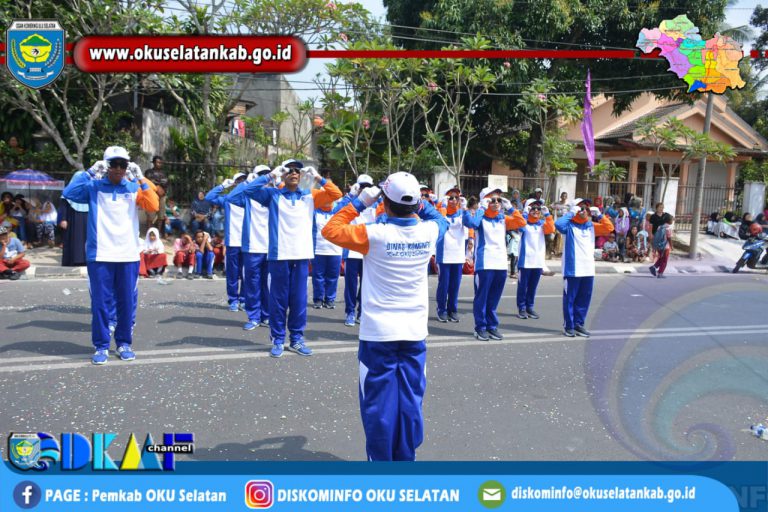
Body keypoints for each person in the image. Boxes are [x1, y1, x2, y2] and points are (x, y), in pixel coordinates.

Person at [321, 171, 448, 461]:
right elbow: (439, 219)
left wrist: (361, 201)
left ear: (385, 203)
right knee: (410, 402)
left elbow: (331, 230)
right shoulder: (428, 232)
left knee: (379, 407)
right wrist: (420, 204)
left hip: (378, 335)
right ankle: (405, 460)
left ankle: (380, 467)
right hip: (414, 334)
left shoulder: (374, 235)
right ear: (415, 205)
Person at [60, 146, 159, 364]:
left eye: (123, 164)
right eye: (113, 164)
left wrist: (141, 177)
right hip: (100, 254)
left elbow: (153, 204)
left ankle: (124, 343)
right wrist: (88, 172)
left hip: (128, 254)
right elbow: (69, 194)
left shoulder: (133, 187)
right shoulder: (93, 187)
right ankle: (101, 346)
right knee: (101, 304)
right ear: (106, 166)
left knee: (126, 303)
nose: (118, 168)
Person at [238, 159, 342, 358]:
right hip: (279, 256)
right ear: (284, 174)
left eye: (297, 171)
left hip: (302, 255)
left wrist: (318, 177)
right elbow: (248, 191)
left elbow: (336, 195)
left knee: (299, 301)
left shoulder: (310, 196)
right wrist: (271, 175)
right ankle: (278, 339)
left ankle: (296, 339)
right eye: (290, 170)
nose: (294, 173)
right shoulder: (272, 195)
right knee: (278, 301)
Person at [463, 187, 520, 341]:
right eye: (492, 200)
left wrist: (510, 208)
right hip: (485, 263)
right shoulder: (480, 218)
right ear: (485, 201)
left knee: (494, 298)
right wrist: (481, 207)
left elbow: (521, 223)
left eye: (498, 200)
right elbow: (470, 223)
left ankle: (491, 326)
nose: (496, 203)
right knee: (482, 298)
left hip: (500, 264)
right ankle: (480, 327)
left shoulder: (502, 218)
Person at [555, 198, 614, 338]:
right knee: (570, 299)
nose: (584, 211)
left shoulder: (590, 225)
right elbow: (558, 224)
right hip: (572, 269)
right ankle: (569, 326)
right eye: (581, 208)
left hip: (588, 269)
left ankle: (578, 324)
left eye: (586, 208)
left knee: (584, 299)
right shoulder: (569, 226)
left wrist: (599, 215)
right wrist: (571, 213)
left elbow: (609, 228)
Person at [226, 165, 272, 329]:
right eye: (261, 174)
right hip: (252, 247)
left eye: (267, 174)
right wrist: (246, 183)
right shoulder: (248, 197)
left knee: (268, 285)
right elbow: (231, 198)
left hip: (271, 248)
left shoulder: (275, 194)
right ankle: (254, 317)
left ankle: (267, 316)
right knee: (252, 284)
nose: (265, 177)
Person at [338, 174, 378, 326]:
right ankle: (350, 312)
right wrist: (350, 195)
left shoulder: (377, 203)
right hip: (353, 249)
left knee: (367, 284)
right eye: (362, 186)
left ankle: (362, 311)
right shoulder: (351, 202)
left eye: (368, 186)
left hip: (369, 249)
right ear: (358, 187)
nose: (365, 189)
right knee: (351, 284)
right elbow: (337, 211)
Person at [206, 173, 248, 311]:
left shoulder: (252, 198)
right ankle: (233, 300)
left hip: (248, 242)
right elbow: (209, 197)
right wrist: (223, 185)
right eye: (238, 180)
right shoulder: (227, 199)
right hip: (232, 241)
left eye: (244, 179)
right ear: (235, 183)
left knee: (246, 273)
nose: (242, 182)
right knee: (232, 273)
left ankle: (244, 300)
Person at [509, 198, 555, 319]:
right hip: (525, 261)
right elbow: (521, 227)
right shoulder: (524, 223)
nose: (536, 210)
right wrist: (524, 213)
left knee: (533, 286)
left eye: (538, 208)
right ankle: (522, 308)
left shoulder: (541, 224)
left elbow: (551, 229)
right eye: (532, 208)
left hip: (538, 261)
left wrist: (547, 215)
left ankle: (529, 307)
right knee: (523, 286)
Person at [311, 175, 346, 310]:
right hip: (318, 249)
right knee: (318, 276)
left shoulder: (338, 210)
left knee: (333, 276)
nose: (326, 199)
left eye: (328, 196)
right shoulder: (313, 210)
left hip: (335, 250)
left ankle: (330, 299)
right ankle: (318, 299)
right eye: (323, 195)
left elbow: (350, 200)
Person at [435, 186, 468, 322]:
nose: (454, 200)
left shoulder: (462, 213)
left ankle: (452, 310)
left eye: (456, 198)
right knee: (444, 284)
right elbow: (439, 223)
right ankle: (441, 309)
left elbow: (470, 224)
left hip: (458, 254)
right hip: (444, 253)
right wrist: (442, 206)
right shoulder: (440, 212)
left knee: (455, 285)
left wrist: (465, 208)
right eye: (451, 198)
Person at [649, 214, 674, 278]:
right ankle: (660, 273)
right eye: (672, 219)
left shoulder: (660, 226)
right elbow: (669, 238)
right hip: (665, 246)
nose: (672, 221)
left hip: (659, 246)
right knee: (664, 260)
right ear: (669, 220)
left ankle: (654, 267)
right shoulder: (668, 228)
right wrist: (671, 246)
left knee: (661, 258)